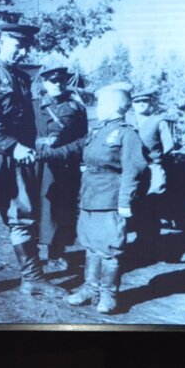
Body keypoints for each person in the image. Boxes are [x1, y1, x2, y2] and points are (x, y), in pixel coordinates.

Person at [0, 22, 63, 298]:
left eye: (26, 47)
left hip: (19, 157)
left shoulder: (22, 78)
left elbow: (29, 120)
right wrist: (13, 146)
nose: (22, 52)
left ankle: (32, 278)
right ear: (2, 41)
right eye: (18, 46)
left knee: (23, 215)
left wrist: (30, 146)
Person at [66, 84, 147, 314]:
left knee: (110, 249)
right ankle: (91, 288)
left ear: (113, 107)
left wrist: (125, 202)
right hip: (90, 197)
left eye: (101, 104)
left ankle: (109, 294)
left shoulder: (127, 134)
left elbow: (134, 170)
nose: (98, 108)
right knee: (91, 246)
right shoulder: (98, 131)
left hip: (111, 200)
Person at [32, 66, 90, 275]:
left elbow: (84, 138)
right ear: (44, 83)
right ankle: (32, 256)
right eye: (53, 81)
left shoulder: (76, 107)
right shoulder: (34, 105)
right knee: (36, 207)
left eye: (61, 81)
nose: (57, 84)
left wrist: (67, 151)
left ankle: (57, 253)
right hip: (38, 164)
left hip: (65, 165)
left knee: (62, 209)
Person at [126, 89, 178, 258]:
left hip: (152, 168)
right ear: (132, 104)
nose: (141, 104)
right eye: (137, 102)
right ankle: (140, 240)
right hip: (131, 169)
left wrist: (158, 161)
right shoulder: (127, 120)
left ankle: (151, 244)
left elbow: (168, 145)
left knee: (152, 204)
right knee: (134, 204)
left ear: (150, 103)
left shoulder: (158, 121)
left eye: (145, 102)